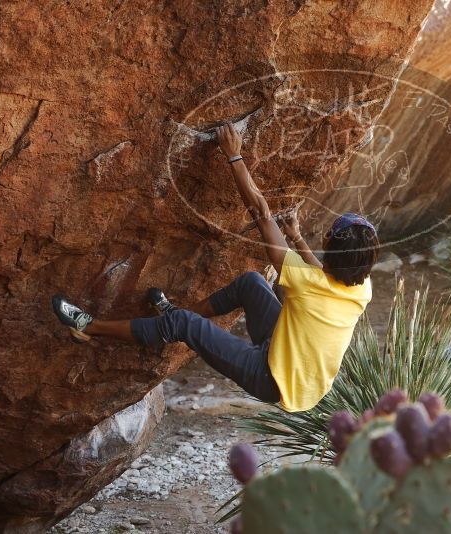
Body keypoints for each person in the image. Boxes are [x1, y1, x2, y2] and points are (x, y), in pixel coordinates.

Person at [51, 123, 378, 412]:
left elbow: (261, 214)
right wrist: (295, 237)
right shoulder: (361, 286)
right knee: (251, 283)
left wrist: (234, 156)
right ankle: (170, 319)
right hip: (297, 366)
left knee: (184, 323)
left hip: (272, 378)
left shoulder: (307, 286)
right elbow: (323, 273)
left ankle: (89, 327)